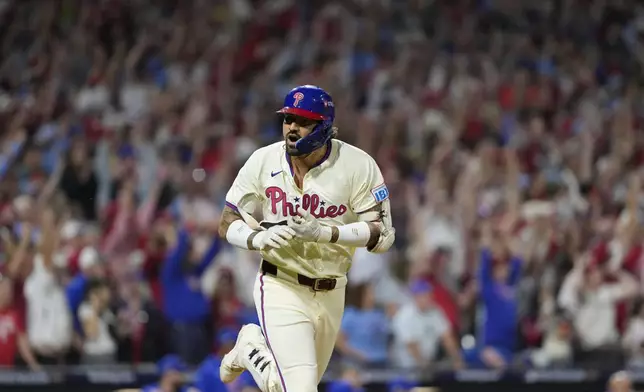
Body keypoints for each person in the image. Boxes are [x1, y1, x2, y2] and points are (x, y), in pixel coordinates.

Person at [216, 85, 396, 392]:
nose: (292, 128)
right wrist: (256, 239)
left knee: (286, 387)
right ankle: (251, 346)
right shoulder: (264, 160)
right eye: (288, 119)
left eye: (303, 120)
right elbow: (227, 221)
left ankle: (250, 346)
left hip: (332, 289)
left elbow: (383, 235)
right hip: (280, 283)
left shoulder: (357, 165)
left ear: (325, 126)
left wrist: (328, 233)